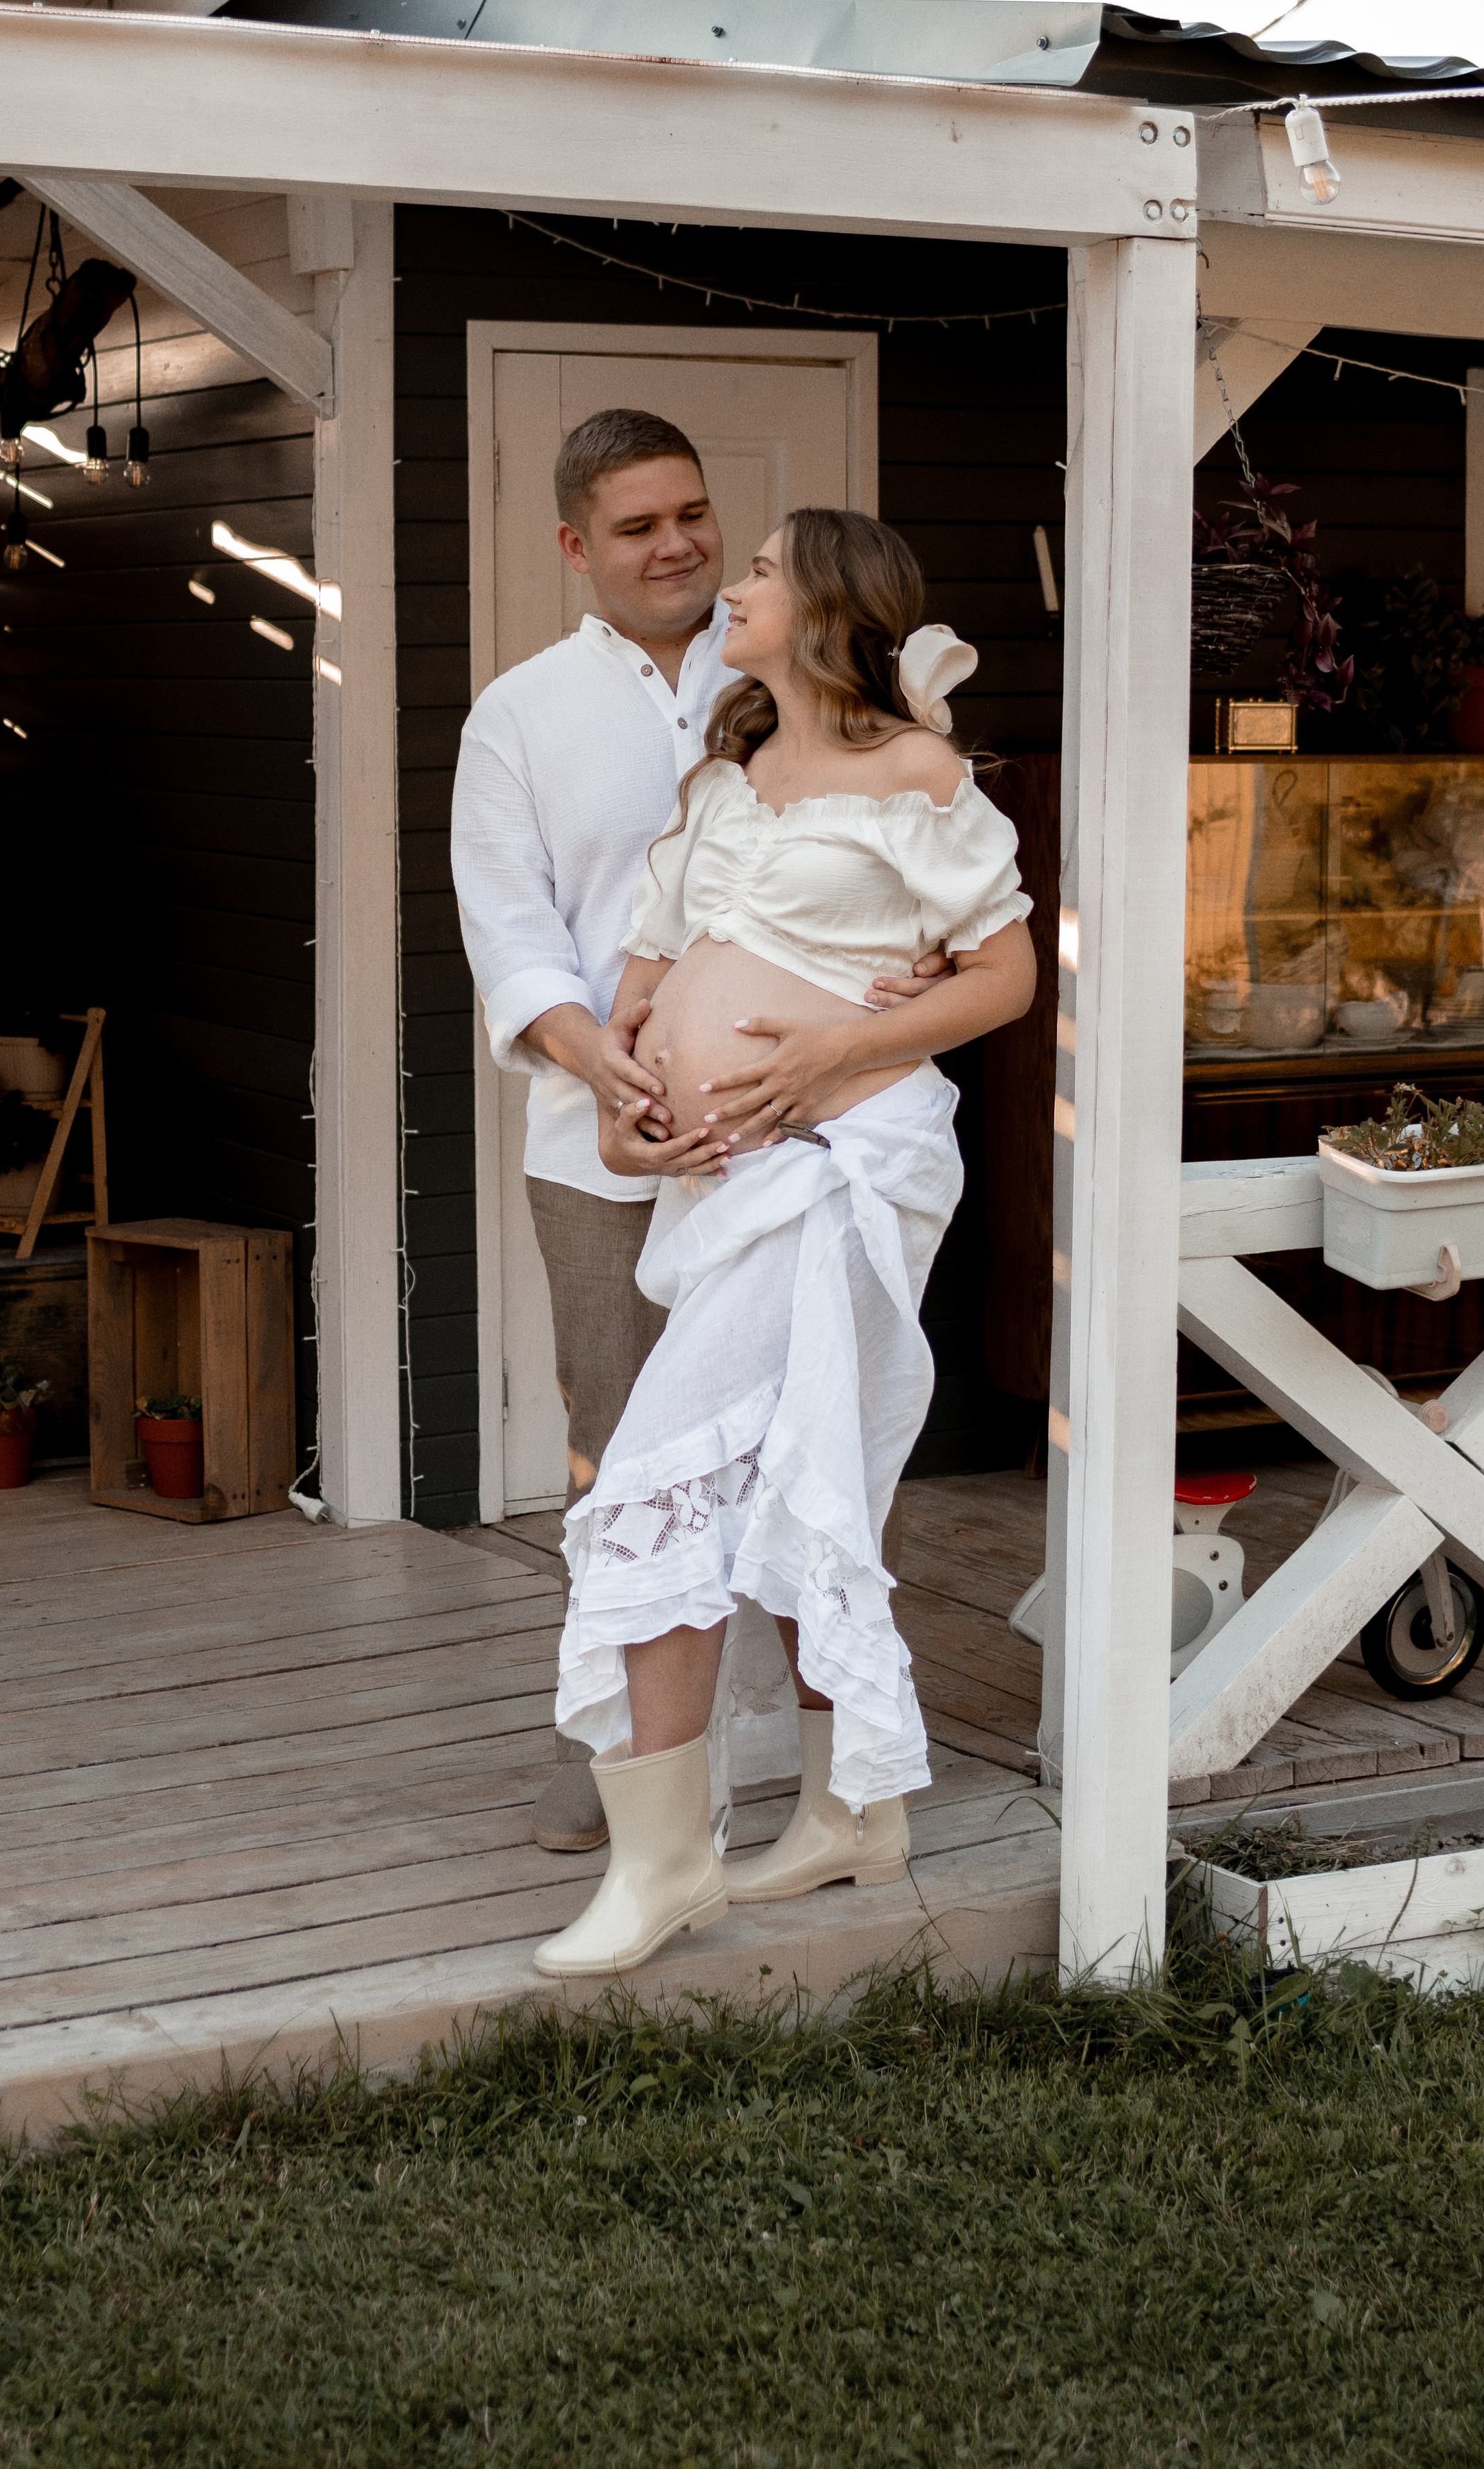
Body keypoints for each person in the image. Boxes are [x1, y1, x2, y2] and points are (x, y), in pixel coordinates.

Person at [531, 507, 1036, 1979]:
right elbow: (636, 1002)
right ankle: (851, 1815)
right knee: (816, 1481)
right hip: (711, 1180)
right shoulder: (723, 782)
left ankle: (665, 1866)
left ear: (827, 608)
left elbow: (1003, 977)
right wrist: (624, 1119)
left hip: (840, 1163)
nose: (731, 585)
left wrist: (821, 1054)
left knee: (655, 1480)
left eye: (756, 568)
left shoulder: (919, 779)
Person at [452, 416, 949, 1854]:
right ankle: (615, 1754)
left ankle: (838, 1760)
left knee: (827, 1446)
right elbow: (511, 929)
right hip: (610, 1150)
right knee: (624, 1456)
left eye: (692, 515)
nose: (673, 545)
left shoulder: (828, 687)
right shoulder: (521, 714)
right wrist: (597, 1067)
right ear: (572, 547)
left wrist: (894, 989)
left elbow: (918, 886)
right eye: (633, 526)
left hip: (815, 1144)